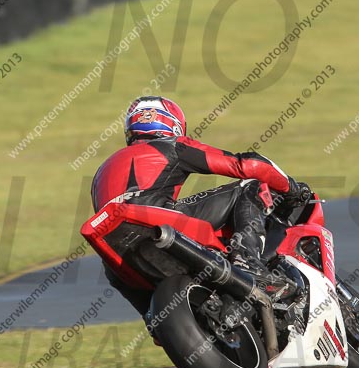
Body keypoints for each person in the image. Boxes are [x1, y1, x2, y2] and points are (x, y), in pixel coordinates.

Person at [91, 96, 304, 316]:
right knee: (249, 186)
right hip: (157, 221)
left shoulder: (100, 172)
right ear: (174, 123)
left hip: (118, 255)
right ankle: (248, 262)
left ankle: (156, 322)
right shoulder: (173, 145)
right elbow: (247, 165)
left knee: (114, 276)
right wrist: (292, 189)